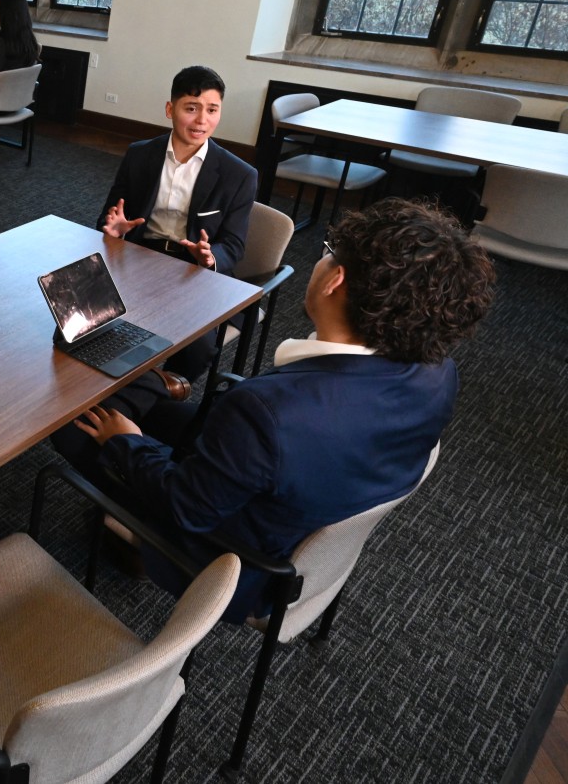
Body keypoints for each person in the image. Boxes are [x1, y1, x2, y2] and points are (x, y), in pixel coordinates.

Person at [58, 198, 495, 619]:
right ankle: (152, 393)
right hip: (314, 496)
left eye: (327, 254)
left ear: (334, 280)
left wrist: (127, 444)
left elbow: (185, 508)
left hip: (232, 556)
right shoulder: (439, 370)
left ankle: (131, 545)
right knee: (154, 413)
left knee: (74, 430)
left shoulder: (268, 412)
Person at [97, 65, 257, 386]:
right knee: (93, 316)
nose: (202, 120)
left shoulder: (238, 174)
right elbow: (108, 219)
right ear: (170, 109)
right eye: (191, 108)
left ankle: (158, 391)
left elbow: (234, 246)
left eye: (212, 110)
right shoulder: (140, 155)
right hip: (140, 255)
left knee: (197, 347)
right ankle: (117, 386)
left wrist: (210, 258)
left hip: (193, 270)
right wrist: (114, 230)